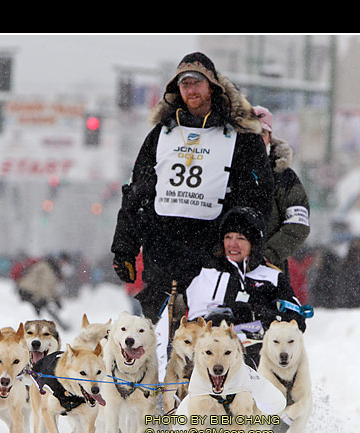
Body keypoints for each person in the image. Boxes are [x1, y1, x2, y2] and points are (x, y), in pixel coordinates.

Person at [111, 52, 275, 324]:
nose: (191, 90)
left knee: (209, 341)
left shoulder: (243, 138)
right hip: (163, 251)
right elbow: (136, 194)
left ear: (213, 87)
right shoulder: (160, 135)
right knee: (161, 339)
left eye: (197, 83)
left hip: (214, 252)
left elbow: (258, 197)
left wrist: (245, 244)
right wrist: (124, 248)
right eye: (184, 84)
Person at [185, 207, 306, 368]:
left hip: (259, 354)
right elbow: (194, 323)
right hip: (213, 353)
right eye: (228, 237)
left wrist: (260, 313)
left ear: (253, 243)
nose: (233, 244)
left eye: (241, 238)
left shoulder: (272, 276)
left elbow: (297, 322)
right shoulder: (209, 273)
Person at [252, 106, 311, 276]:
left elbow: (298, 225)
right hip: (224, 269)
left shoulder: (284, 177)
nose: (255, 139)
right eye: (250, 133)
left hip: (269, 271)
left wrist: (266, 256)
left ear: (270, 138)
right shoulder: (226, 171)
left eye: (261, 133)